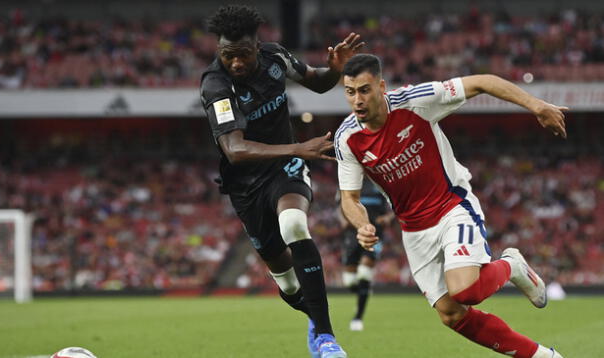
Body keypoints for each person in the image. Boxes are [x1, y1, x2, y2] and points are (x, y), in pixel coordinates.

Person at [335, 54, 567, 358]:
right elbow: (349, 199)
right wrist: (361, 224)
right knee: (452, 314)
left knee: (466, 291)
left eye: (364, 90)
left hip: (452, 207)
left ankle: (511, 265)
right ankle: (542, 356)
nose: (357, 100)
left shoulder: (415, 101)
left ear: (381, 86)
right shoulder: (347, 138)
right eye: (350, 92)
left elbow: (483, 82)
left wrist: (536, 105)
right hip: (413, 229)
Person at [200, 5, 363, 358]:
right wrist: (299, 146)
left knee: (294, 225)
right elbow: (235, 149)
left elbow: (317, 83)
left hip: (284, 169)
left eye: (243, 54)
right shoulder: (216, 85)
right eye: (228, 56)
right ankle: (312, 316)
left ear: (257, 47)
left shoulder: (276, 58)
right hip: (245, 186)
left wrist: (335, 69)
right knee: (289, 286)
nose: (236, 63)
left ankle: (326, 338)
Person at [337, 178, 393, 331]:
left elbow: (395, 206)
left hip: (375, 231)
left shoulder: (380, 179)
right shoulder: (349, 178)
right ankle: (364, 290)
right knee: (350, 281)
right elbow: (339, 204)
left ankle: (358, 317)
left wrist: (387, 218)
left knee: (365, 274)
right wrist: (343, 220)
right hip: (352, 232)